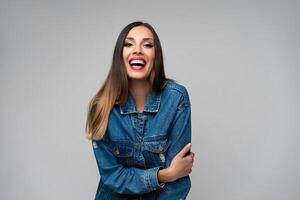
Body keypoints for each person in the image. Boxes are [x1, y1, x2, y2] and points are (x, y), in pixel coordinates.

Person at [85, 21, 194, 200]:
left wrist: (174, 174)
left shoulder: (176, 99)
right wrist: (163, 175)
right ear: (119, 55)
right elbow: (113, 176)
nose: (137, 50)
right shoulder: (101, 106)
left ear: (156, 56)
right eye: (128, 44)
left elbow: (179, 178)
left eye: (147, 45)